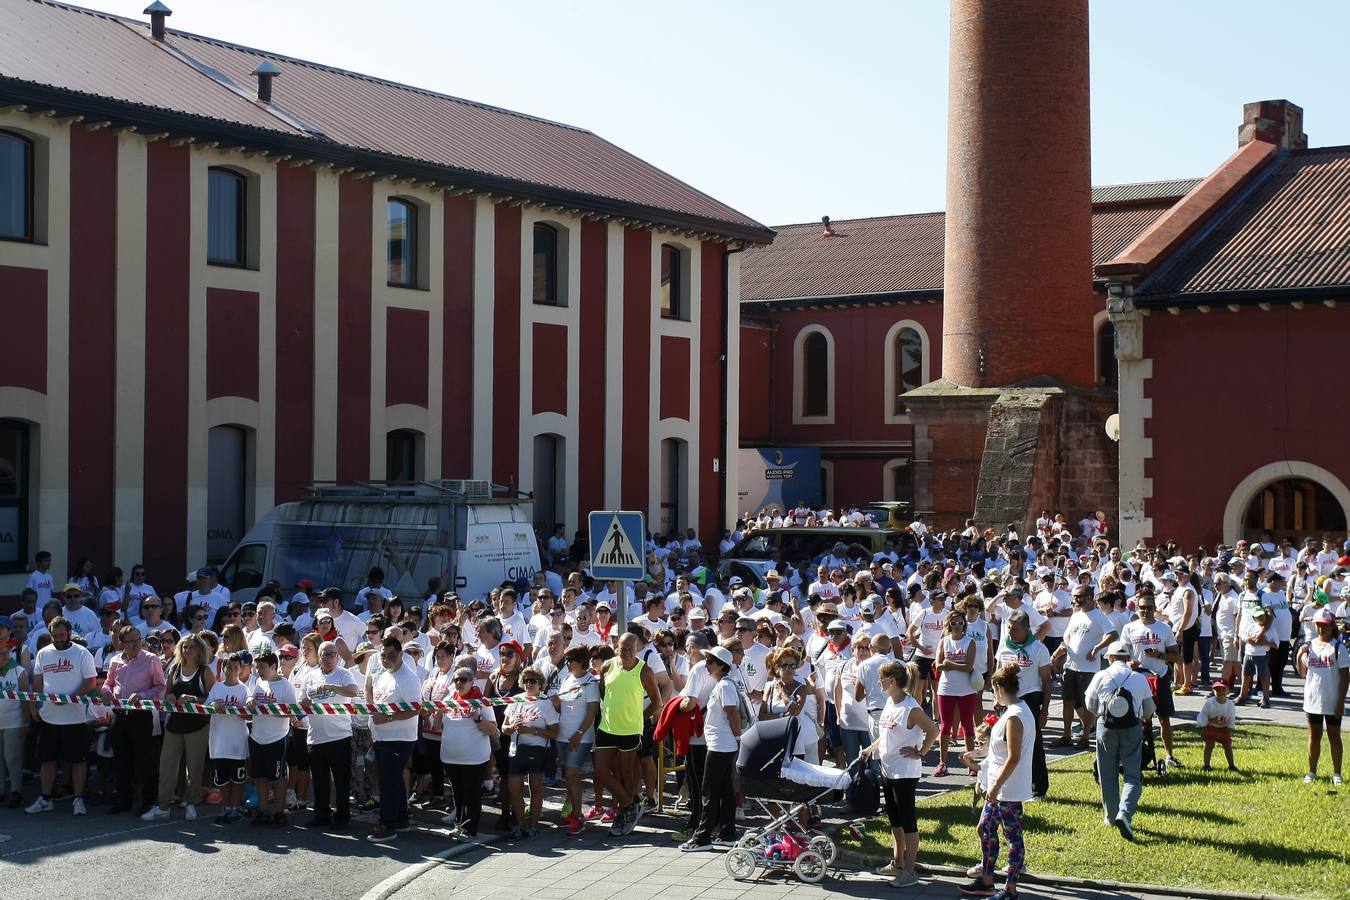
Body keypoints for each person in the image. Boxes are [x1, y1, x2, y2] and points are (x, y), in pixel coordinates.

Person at [861, 660, 938, 888]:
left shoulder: (910, 707)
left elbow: (933, 729)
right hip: (888, 769)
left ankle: (910, 870)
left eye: (882, 679)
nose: (879, 683)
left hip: (904, 771)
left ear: (892, 681)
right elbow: (885, 735)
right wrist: (870, 749)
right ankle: (897, 862)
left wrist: (921, 752)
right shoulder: (891, 703)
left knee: (907, 821)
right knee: (895, 820)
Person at [960, 664, 1034, 899]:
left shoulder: (1015, 716)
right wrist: (978, 757)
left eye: (994, 690)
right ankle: (987, 880)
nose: (994, 696)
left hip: (1007, 790)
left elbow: (1013, 756)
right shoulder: (1011, 712)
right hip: (998, 789)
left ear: (1000, 688)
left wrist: (996, 785)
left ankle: (1011, 887)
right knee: (985, 828)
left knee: (1013, 838)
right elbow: (1000, 751)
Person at [26, 618, 97, 816]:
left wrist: (69, 699)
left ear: (69, 633)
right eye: (55, 636)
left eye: (62, 635)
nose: (59, 639)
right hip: (49, 717)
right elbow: (38, 681)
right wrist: (34, 704)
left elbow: (91, 682)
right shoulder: (43, 653)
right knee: (46, 760)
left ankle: (78, 799)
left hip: (75, 718)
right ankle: (45, 799)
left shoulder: (82, 653)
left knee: (78, 760)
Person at [1084, 641, 1154, 841]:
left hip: (1105, 727)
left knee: (1108, 773)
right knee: (1132, 776)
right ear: (1128, 658)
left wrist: (1102, 715)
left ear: (1110, 657)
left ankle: (1110, 816)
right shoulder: (1139, 678)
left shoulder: (1100, 676)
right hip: (1132, 728)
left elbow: (1090, 703)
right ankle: (1125, 812)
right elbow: (1149, 709)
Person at [596, 632, 661, 836]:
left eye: (630, 649)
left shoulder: (645, 671)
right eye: (622, 648)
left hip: (630, 730)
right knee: (600, 770)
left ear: (636, 650)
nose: (625, 653)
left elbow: (656, 702)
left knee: (626, 773)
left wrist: (640, 718)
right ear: (617, 647)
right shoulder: (607, 666)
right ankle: (629, 804)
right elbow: (602, 690)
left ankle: (622, 813)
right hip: (607, 727)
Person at [142, 633, 213, 821]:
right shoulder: (174, 669)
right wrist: (170, 697)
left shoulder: (205, 671)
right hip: (173, 725)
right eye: (184, 647)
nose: (187, 650)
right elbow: (167, 695)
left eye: (191, 647)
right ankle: (163, 806)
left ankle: (191, 804)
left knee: (195, 767)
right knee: (166, 767)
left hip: (197, 726)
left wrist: (194, 700)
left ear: (199, 649)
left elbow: (212, 700)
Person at [679, 645, 742, 852]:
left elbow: (733, 714)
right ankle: (727, 833)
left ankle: (703, 837)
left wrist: (736, 737)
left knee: (709, 791)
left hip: (721, 746)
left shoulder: (724, 686)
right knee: (724, 790)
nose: (706, 664)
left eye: (711, 661)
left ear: (721, 666)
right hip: (721, 745)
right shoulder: (722, 684)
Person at [103, 624, 166, 815]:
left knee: (146, 761)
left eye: (139, 640)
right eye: (131, 641)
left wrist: (142, 696)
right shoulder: (115, 660)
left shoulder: (151, 659)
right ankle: (124, 800)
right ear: (122, 643)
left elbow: (160, 687)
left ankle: (148, 802)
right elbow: (109, 682)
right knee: (121, 760)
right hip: (119, 714)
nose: (136, 644)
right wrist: (105, 691)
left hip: (141, 716)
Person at [367, 635, 423, 842]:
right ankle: (400, 820)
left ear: (400, 654)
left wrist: (389, 717)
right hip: (383, 737)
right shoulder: (384, 674)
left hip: (400, 738)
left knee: (388, 781)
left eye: (391, 655)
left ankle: (387, 825)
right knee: (394, 779)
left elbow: (415, 709)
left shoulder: (409, 678)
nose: (386, 659)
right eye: (383, 655)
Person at [993, 610, 1052, 797]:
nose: (1011, 633)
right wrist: (997, 697)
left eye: (1016, 629)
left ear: (1026, 629)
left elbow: (1046, 680)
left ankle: (1038, 786)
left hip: (1030, 697)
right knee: (1007, 744)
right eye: (1009, 628)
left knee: (1033, 744)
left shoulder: (1038, 648)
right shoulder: (1004, 645)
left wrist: (1045, 710)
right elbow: (997, 674)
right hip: (1007, 699)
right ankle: (1010, 782)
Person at [438, 664, 497, 842]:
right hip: (451, 757)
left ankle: (470, 829)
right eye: (456, 680)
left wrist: (478, 719)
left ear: (472, 682)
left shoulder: (481, 701)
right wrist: (438, 714)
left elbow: (492, 729)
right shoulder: (449, 698)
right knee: (457, 794)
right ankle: (459, 824)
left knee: (471, 794)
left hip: (473, 759)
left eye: (463, 680)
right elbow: (437, 727)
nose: (459, 683)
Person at [1122, 597, 1182, 768]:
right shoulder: (1129, 628)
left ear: (1155, 608)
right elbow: (1123, 654)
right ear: (1137, 609)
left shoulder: (1164, 628)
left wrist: (1160, 656)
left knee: (1163, 717)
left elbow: (1176, 656)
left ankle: (1169, 755)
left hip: (1159, 676)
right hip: (1136, 678)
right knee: (1136, 718)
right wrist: (1128, 663)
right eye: (1142, 607)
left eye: (1149, 607)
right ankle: (1135, 754)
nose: (1145, 611)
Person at [503, 666, 559, 838]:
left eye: (533, 681)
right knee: (514, 789)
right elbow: (504, 728)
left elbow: (555, 732)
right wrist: (513, 727)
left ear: (540, 684)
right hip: (516, 750)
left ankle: (533, 825)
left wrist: (533, 730)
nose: (529, 684)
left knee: (535, 788)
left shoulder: (545, 703)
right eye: (526, 680)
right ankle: (520, 825)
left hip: (538, 749)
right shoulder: (515, 700)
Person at [1056, 587, 1117, 749]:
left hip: (1088, 668)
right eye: (1074, 596)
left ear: (1090, 598)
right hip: (1071, 665)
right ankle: (1066, 735)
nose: (1075, 599)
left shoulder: (1098, 616)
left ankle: (1085, 736)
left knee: (1086, 702)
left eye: (1079, 596)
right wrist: (1059, 653)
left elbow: (1113, 634)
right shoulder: (1075, 616)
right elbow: (1067, 637)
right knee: (1068, 701)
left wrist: (1097, 648)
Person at [1296, 608, 1349, 785]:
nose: (1321, 628)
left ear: (1332, 625)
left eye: (1325, 625)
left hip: (1333, 699)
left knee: (1335, 736)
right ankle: (1312, 771)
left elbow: (1345, 677)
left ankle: (1337, 773)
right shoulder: (1309, 646)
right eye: (1318, 624)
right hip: (1313, 699)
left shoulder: (1338, 647)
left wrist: (1340, 702)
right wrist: (1299, 655)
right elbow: (1303, 673)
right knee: (1314, 735)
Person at [553, 645, 600, 836]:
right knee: (568, 776)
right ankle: (572, 811)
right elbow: (562, 708)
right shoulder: (566, 679)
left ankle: (578, 816)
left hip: (581, 737)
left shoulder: (590, 681)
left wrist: (579, 733)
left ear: (581, 661)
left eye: (570, 659)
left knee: (573, 774)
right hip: (562, 736)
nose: (567, 663)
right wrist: (556, 705)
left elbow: (592, 711)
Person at [246, 648, 295, 826]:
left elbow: (292, 712)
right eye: (257, 667)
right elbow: (253, 699)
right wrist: (251, 700)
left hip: (276, 738)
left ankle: (279, 812)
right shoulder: (259, 682)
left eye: (262, 667)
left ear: (274, 666)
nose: (259, 671)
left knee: (279, 777)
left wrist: (272, 710)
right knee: (259, 777)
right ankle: (263, 811)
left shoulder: (285, 686)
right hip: (257, 737)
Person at [205, 651, 251, 825]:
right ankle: (224, 808)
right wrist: (213, 705)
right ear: (223, 668)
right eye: (228, 667)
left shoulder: (244, 689)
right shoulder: (217, 688)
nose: (231, 670)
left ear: (240, 669)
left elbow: (250, 716)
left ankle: (235, 808)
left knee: (238, 779)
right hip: (218, 742)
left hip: (237, 742)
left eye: (235, 667)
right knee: (222, 779)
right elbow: (206, 706)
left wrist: (243, 710)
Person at [934, 612, 979, 776]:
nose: (958, 626)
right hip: (946, 689)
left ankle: (971, 763)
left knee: (967, 725)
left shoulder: (970, 642)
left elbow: (968, 667)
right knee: (945, 726)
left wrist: (950, 663)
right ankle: (942, 763)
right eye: (954, 623)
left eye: (960, 623)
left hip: (967, 689)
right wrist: (954, 664)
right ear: (949, 625)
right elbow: (938, 665)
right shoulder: (944, 642)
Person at [0, 635, 31, 808]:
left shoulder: (19, 671)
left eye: (6, 653)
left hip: (14, 721)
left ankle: (15, 791)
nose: (5, 656)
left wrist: (25, 723)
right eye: (1, 653)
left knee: (12, 758)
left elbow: (25, 700)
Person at [1196, 680, 1237, 772]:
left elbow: (1232, 718)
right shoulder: (1209, 703)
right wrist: (1203, 726)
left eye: (1223, 689)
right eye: (1218, 690)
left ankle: (1231, 765)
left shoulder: (1230, 704)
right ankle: (1206, 765)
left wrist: (1230, 729)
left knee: (1227, 745)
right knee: (1209, 745)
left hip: (1224, 728)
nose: (1221, 692)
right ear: (1213, 691)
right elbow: (1204, 714)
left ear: (1228, 691)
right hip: (1211, 727)